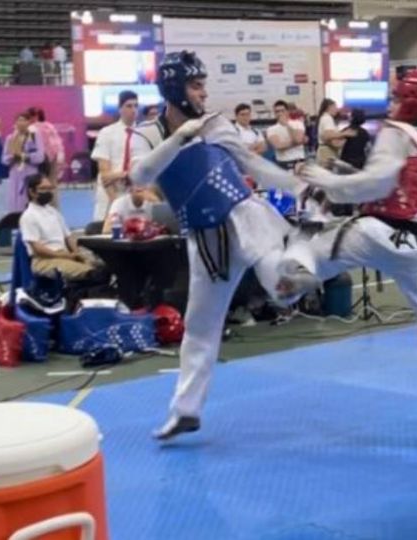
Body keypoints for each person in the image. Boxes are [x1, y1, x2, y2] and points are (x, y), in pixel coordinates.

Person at [279, 70, 417, 447]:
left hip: (376, 233)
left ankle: (285, 289)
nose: (391, 104)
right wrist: (352, 175)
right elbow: (402, 180)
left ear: (409, 102)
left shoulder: (395, 132)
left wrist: (324, 179)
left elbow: (377, 185)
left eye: (397, 98)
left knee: (306, 256)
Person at [127, 51, 320, 441]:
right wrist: (182, 137)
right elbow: (139, 174)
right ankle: (185, 411)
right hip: (203, 238)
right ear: (174, 88)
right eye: (196, 85)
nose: (203, 93)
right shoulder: (150, 132)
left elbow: (254, 165)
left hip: (244, 218)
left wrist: (301, 187)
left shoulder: (217, 124)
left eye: (202, 85)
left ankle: (320, 244)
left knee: (284, 290)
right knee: (199, 328)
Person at [20, 174, 102, 279]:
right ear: (32, 192)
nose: (48, 192)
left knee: (101, 269)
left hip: (64, 255)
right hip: (44, 260)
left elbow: (68, 237)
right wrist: (65, 256)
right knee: (92, 274)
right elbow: (37, 249)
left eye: (50, 188)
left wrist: (77, 253)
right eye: (43, 188)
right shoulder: (28, 216)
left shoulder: (54, 212)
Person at [91, 90, 139, 220]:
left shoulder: (143, 134)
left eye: (136, 106)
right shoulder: (107, 133)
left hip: (133, 193)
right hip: (110, 193)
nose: (133, 110)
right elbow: (105, 174)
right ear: (120, 109)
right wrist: (114, 200)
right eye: (129, 106)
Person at [2, 111, 44, 213]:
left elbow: (40, 157)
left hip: (30, 174)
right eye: (19, 120)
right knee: (16, 202)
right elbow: (4, 158)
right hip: (15, 175)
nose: (21, 123)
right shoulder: (10, 138)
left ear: (29, 122)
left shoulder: (34, 136)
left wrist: (25, 157)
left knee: (30, 199)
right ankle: (18, 222)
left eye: (24, 120)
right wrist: (12, 158)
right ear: (15, 123)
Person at [266, 100, 308, 170]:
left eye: (282, 111)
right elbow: (278, 146)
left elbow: (297, 139)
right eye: (277, 112)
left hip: (299, 162)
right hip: (284, 163)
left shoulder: (298, 124)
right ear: (274, 113)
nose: (280, 113)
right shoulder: (271, 129)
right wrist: (298, 142)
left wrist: (287, 125)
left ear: (287, 111)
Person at [315, 98, 352, 167]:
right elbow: (328, 136)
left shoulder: (326, 118)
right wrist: (345, 134)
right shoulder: (327, 118)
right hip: (327, 153)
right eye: (335, 107)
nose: (336, 110)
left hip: (326, 152)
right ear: (329, 107)